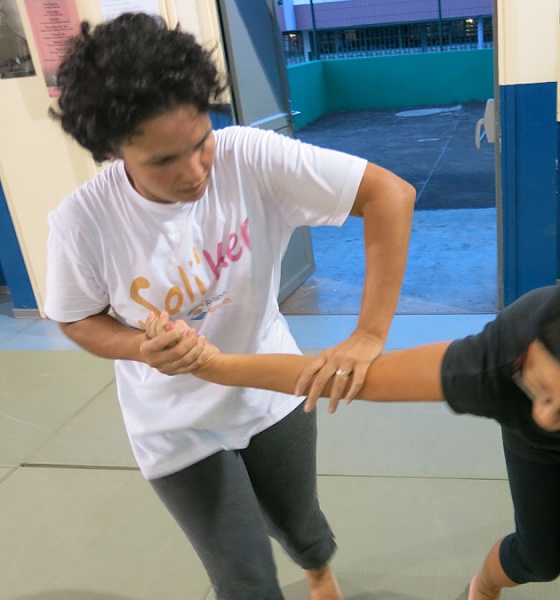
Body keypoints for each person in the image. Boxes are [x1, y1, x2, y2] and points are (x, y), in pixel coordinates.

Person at [44, 12, 415, 600]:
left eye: (200, 143)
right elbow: (74, 317)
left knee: (301, 524)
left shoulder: (247, 156)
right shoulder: (82, 222)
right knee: (244, 580)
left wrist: (369, 333)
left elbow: (390, 195)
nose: (194, 173)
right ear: (113, 151)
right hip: (173, 423)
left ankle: (320, 574)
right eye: (163, 161)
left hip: (270, 386)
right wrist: (140, 347)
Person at [147, 258, 560, 600]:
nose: (545, 413)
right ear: (531, 354)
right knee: (540, 558)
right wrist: (212, 364)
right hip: (535, 456)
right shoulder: (496, 358)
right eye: (540, 389)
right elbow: (351, 377)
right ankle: (482, 588)